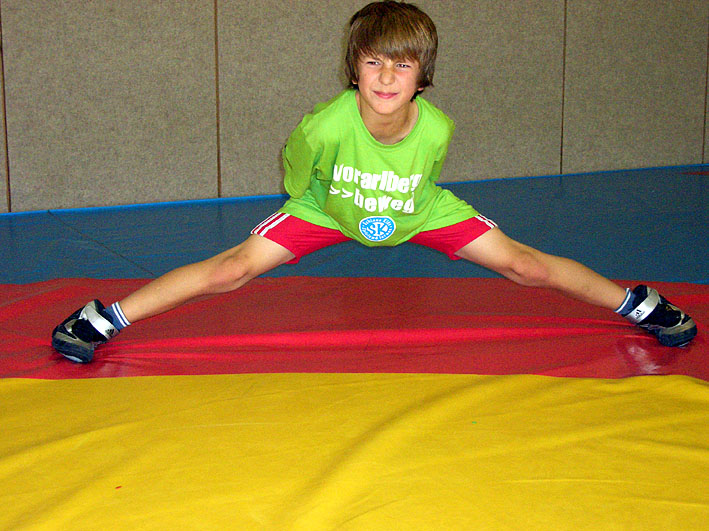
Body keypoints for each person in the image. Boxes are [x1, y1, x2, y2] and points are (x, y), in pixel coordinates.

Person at [52, 1, 697, 363]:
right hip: (328, 207)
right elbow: (297, 172)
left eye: (403, 66)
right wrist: (320, 204)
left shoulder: (436, 128)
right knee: (231, 269)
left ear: (423, 76)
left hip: (417, 209)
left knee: (525, 265)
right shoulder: (325, 125)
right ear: (354, 68)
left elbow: (421, 179)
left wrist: (407, 213)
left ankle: (636, 302)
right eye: (373, 62)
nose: (387, 77)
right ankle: (103, 318)